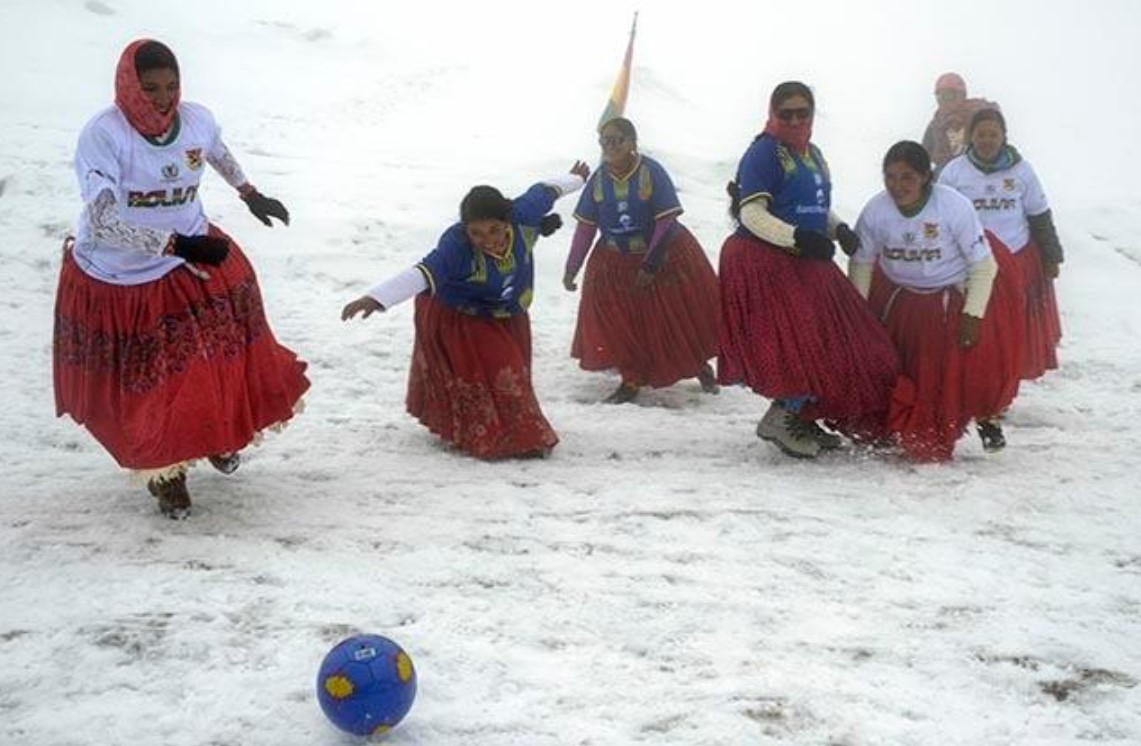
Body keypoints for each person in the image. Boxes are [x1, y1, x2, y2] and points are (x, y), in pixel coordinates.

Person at [53, 39, 310, 519]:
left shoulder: (196, 119)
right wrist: (178, 246)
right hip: (125, 273)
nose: (163, 98)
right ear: (129, 87)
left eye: (171, 86)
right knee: (159, 378)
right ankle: (167, 471)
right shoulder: (104, 136)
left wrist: (250, 193)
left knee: (219, 353)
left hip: (191, 251)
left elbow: (216, 151)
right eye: (150, 89)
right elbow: (105, 222)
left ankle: (217, 433)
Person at [341, 162, 590, 459]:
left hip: (508, 313)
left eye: (494, 230)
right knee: (499, 374)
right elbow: (423, 273)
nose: (487, 240)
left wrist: (577, 177)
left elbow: (550, 189)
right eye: (477, 233)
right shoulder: (456, 246)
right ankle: (515, 438)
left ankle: (515, 433)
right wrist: (376, 298)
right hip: (460, 317)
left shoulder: (524, 213)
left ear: (507, 220)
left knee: (515, 375)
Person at [718, 81, 901, 459]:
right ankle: (783, 415)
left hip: (804, 257)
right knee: (800, 344)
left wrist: (839, 229)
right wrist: (799, 237)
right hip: (765, 260)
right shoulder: (763, 153)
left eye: (803, 112)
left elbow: (812, 205)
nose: (796, 119)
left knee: (841, 339)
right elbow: (752, 214)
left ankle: (804, 415)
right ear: (773, 114)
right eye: (787, 113)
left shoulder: (812, 154)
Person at [851, 140, 1023, 461]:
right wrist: (858, 312)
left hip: (950, 296)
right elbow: (862, 261)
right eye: (890, 177)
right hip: (903, 298)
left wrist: (973, 315)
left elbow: (984, 265)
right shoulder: (876, 210)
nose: (897, 186)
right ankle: (899, 425)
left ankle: (984, 416)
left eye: (907, 178)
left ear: (926, 177)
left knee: (968, 369)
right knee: (899, 369)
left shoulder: (953, 206)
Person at [562, 117, 720, 404]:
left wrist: (651, 264)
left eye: (617, 140)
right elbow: (586, 227)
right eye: (605, 140)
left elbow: (666, 219)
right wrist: (572, 267)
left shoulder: (652, 172)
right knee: (621, 323)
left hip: (662, 256)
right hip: (614, 260)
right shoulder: (598, 180)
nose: (610, 146)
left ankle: (697, 365)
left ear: (632, 142)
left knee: (672, 321)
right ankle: (631, 378)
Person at [938, 107, 1064, 382]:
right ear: (971, 136)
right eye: (981, 134)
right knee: (976, 321)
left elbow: (1039, 215)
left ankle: (1005, 379)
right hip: (972, 262)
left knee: (1009, 325)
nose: (987, 140)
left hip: (1015, 259)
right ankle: (973, 378)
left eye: (993, 134)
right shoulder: (954, 172)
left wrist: (1051, 256)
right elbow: (939, 216)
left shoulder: (1022, 170)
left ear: (1003, 136)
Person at [921, 72, 997, 174]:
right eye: (940, 96)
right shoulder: (936, 124)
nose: (943, 100)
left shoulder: (981, 115)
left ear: (961, 95)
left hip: (981, 169)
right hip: (946, 172)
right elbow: (922, 156)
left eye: (948, 95)